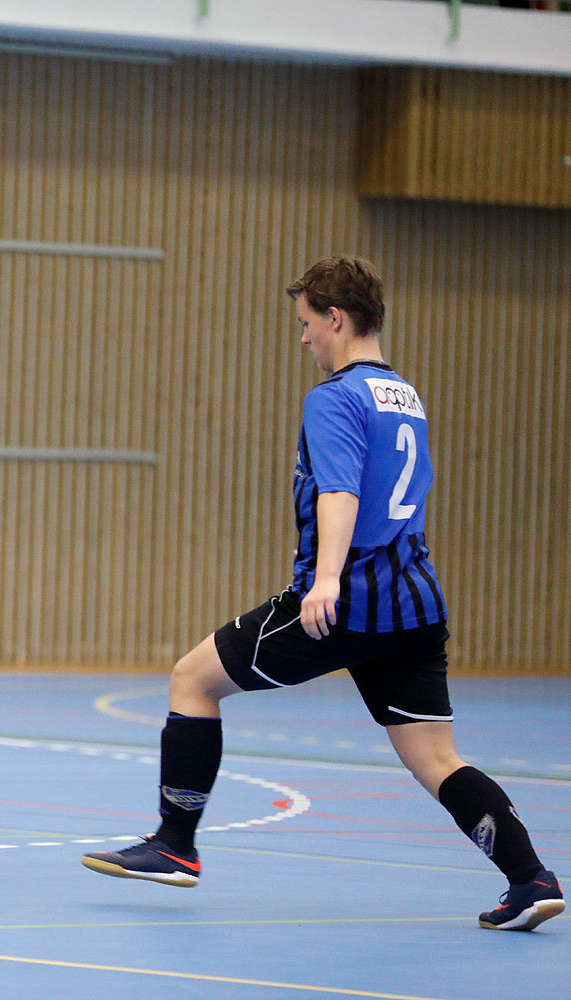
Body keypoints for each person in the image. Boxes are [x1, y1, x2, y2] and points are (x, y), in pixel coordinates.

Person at [81, 256, 562, 931]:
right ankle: (530, 878)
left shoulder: (335, 398)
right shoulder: (404, 394)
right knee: (437, 758)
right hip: (415, 601)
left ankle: (174, 844)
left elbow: (341, 490)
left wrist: (328, 580)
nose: (303, 338)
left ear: (336, 319)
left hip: (347, 601)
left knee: (192, 679)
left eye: (307, 324)